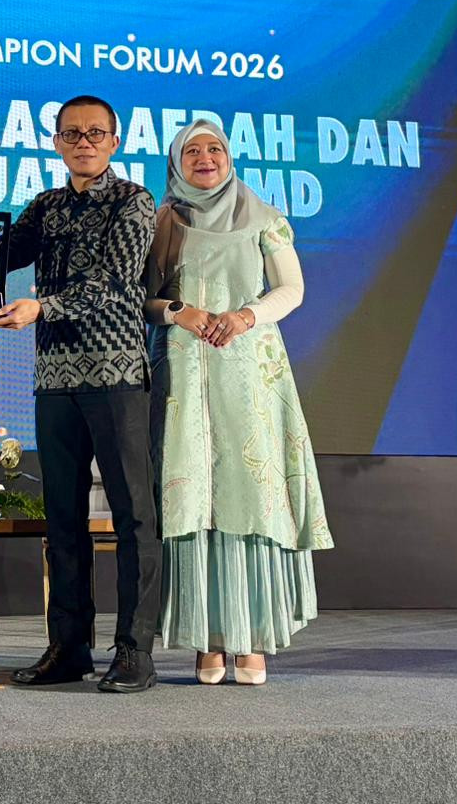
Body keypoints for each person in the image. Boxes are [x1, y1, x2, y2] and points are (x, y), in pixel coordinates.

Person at [0, 94, 162, 693]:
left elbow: (112, 282)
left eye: (95, 133)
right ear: (56, 142)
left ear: (115, 141)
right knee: (62, 518)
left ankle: (134, 649)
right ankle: (68, 647)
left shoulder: (134, 201)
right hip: (55, 381)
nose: (83, 143)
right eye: (71, 134)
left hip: (116, 378)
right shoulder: (47, 205)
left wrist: (41, 307)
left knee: (133, 516)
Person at [145, 119, 333, 686]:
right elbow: (141, 298)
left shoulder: (265, 218)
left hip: (249, 370)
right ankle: (209, 638)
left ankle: (253, 638)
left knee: (249, 492)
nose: (206, 158)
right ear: (176, 163)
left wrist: (246, 316)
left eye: (216, 149)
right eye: (192, 151)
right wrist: (179, 312)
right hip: (181, 370)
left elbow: (292, 289)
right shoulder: (163, 219)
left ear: (230, 157)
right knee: (193, 495)